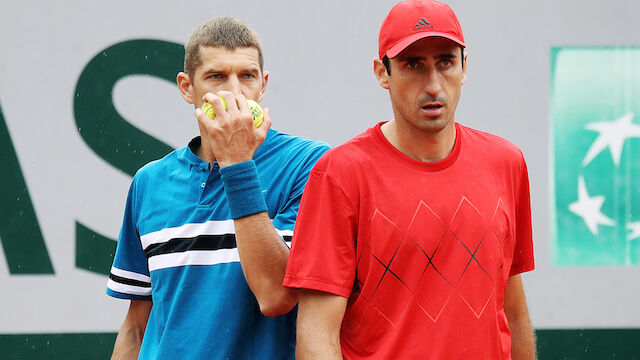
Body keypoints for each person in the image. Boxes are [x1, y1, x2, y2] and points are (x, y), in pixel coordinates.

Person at [283, 0, 536, 359]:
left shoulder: (506, 163)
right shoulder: (340, 174)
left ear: (465, 67)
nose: (433, 85)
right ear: (382, 73)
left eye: (445, 62)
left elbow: (513, 312)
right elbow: (316, 334)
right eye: (413, 64)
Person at [106, 17, 330, 359]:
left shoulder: (311, 165)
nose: (235, 92)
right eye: (216, 77)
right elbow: (137, 326)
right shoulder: (149, 183)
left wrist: (236, 163)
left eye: (247, 76)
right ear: (186, 88)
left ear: (263, 85)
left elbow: (275, 296)